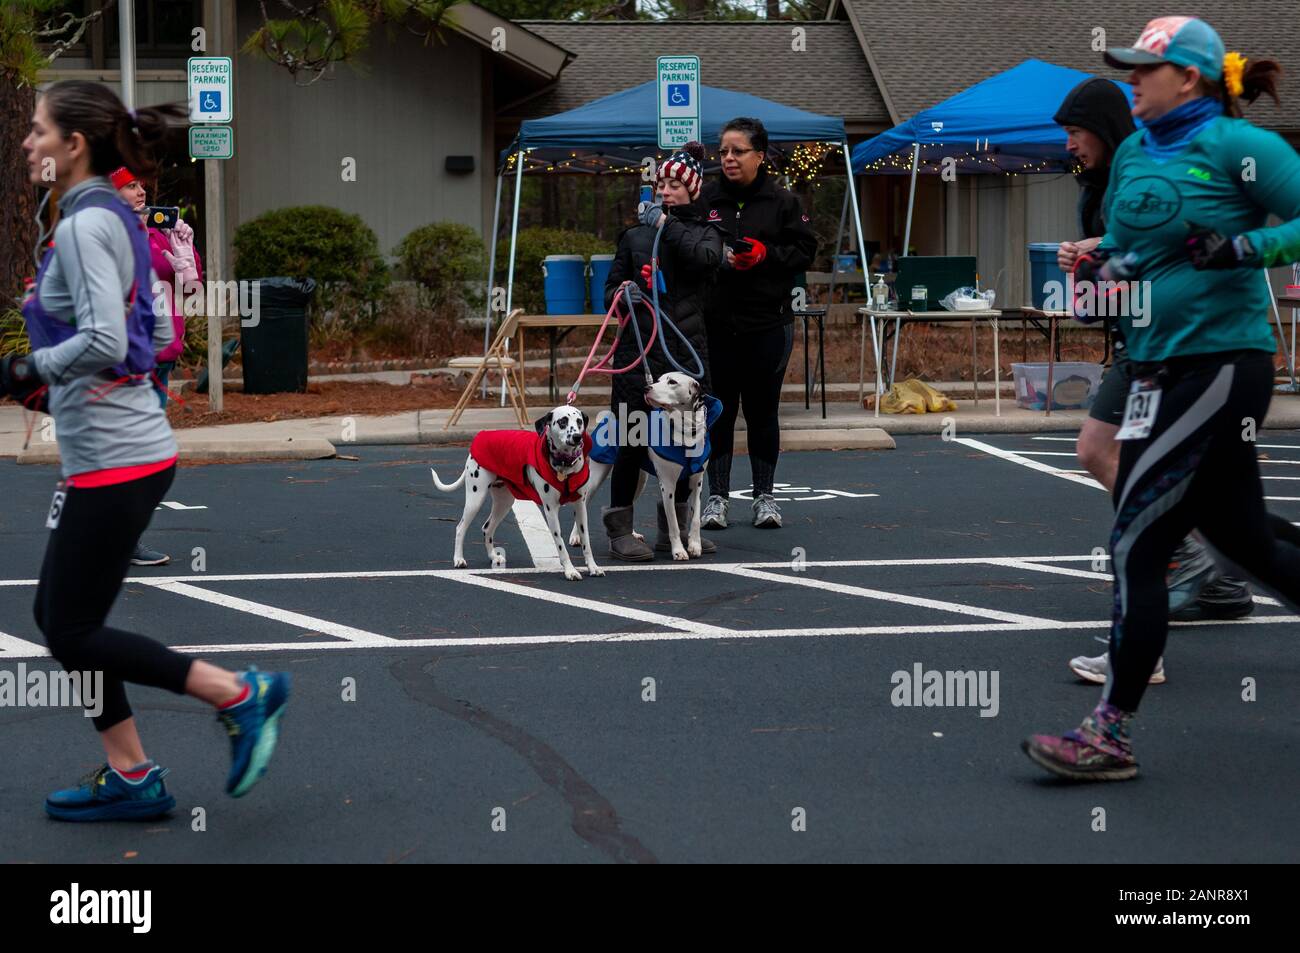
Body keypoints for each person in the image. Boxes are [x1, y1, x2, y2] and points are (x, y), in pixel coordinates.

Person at [1023, 17, 1300, 781]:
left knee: (1137, 540)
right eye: (1129, 69)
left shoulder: (1240, 148)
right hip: (1153, 367)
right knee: (1244, 539)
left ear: (1192, 78)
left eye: (1145, 69)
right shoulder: (1140, 151)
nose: (1132, 81)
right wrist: (1108, 263)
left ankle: (1108, 733)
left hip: (1220, 362)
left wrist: (1249, 247)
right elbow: (1139, 247)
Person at [4, 80, 290, 819]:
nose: (28, 142)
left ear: (75, 144)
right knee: (65, 622)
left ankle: (237, 693)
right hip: (127, 448)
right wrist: (59, 387)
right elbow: (155, 338)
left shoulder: (83, 226)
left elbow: (103, 339)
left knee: (69, 626)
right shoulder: (119, 219)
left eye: (38, 131)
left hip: (117, 459)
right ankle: (131, 774)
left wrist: (31, 370)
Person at [1053, 76, 1253, 688]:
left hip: (1180, 348)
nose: (1069, 145)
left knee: (1127, 472)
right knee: (1123, 465)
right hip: (1144, 343)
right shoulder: (1101, 181)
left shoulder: (1153, 169)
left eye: (1075, 132)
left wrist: (1101, 250)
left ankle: (1170, 590)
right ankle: (1194, 578)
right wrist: (1088, 263)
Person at [600, 142, 724, 559]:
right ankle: (620, 528)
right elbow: (607, 294)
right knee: (631, 437)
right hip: (637, 353)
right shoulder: (634, 236)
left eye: (675, 185)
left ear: (692, 190)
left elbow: (708, 259)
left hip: (684, 355)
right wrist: (625, 294)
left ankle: (676, 529)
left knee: (688, 442)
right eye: (661, 184)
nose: (665, 191)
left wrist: (665, 225)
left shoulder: (706, 230)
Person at [700, 117, 817, 530]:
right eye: (724, 152)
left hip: (768, 324)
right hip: (717, 324)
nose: (728, 158)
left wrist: (766, 255)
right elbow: (689, 247)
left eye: (738, 151)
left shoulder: (783, 202)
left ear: (760, 155)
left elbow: (805, 251)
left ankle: (764, 496)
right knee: (720, 411)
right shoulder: (706, 197)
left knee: (762, 411)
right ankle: (716, 498)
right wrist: (716, 257)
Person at [111, 164, 203, 567]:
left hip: (161, 358)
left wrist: (185, 254)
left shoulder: (157, 233)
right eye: (129, 186)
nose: (140, 191)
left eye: (140, 185)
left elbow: (192, 290)